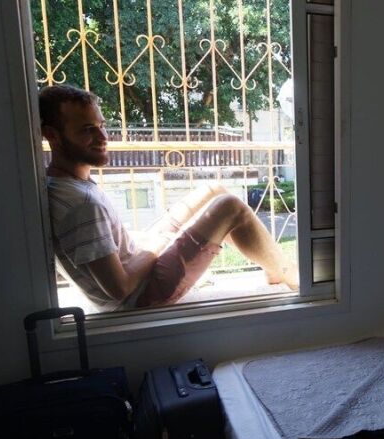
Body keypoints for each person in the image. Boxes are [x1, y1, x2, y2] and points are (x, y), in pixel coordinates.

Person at [39, 84, 297, 311]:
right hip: (142, 295)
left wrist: (151, 245)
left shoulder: (64, 184)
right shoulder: (81, 205)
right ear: (53, 135)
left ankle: (274, 269)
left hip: (136, 263)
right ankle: (291, 276)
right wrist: (157, 245)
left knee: (213, 190)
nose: (103, 137)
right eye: (88, 130)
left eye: (101, 126)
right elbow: (120, 289)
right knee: (231, 207)